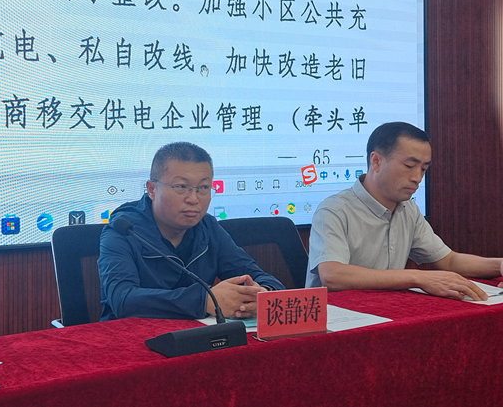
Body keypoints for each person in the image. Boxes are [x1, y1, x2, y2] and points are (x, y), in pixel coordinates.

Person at [306, 121, 503, 299]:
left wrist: (499, 265)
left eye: (424, 169)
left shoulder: (408, 210)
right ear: (376, 161)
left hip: (387, 312)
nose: (417, 178)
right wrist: (418, 278)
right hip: (339, 318)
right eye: (409, 166)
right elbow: (333, 275)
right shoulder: (334, 210)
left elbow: (449, 260)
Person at [98, 142, 284, 321]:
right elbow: (122, 299)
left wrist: (261, 294)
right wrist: (204, 301)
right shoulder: (123, 230)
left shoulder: (208, 227)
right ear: (152, 189)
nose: (194, 199)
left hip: (196, 335)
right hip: (132, 336)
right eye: (181, 187)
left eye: (203, 188)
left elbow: (261, 278)